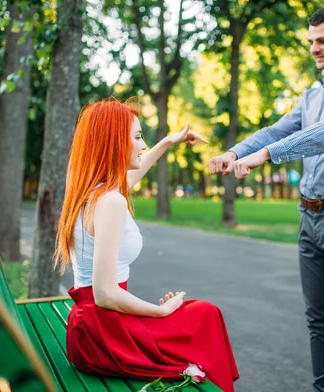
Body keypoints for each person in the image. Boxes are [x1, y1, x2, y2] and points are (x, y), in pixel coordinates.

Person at [209, 5, 324, 392]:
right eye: (310, 41)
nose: (314, 49)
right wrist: (236, 152)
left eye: (322, 40)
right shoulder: (313, 94)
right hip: (310, 220)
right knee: (318, 320)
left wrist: (267, 156)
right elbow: (275, 130)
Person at [53, 98, 239, 392]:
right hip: (106, 334)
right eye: (138, 137)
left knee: (198, 314)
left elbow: (135, 172)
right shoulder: (110, 201)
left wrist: (168, 141)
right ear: (114, 141)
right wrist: (159, 311)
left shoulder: (90, 190)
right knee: (205, 315)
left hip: (90, 330)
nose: (142, 145)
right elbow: (104, 294)